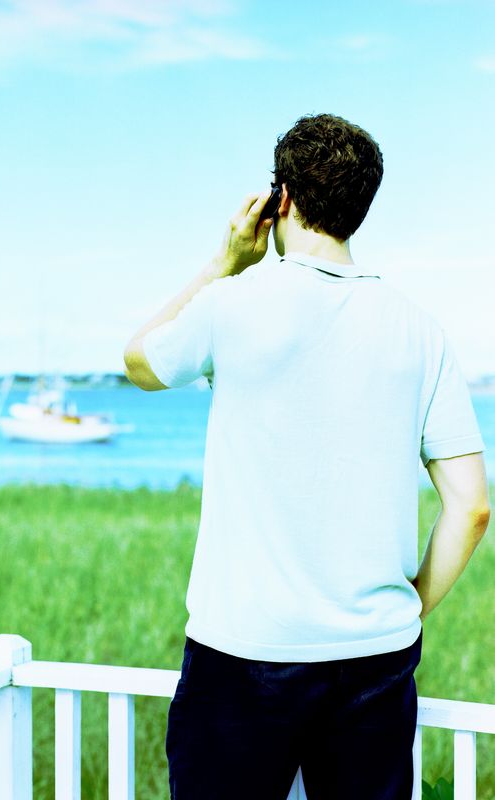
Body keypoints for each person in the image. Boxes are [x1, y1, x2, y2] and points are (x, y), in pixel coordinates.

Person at [123, 113, 490, 799]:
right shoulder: (421, 331)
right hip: (375, 660)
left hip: (242, 656)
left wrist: (224, 262)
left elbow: (138, 361)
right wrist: (405, 609)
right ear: (361, 206)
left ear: (280, 199)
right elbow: (471, 507)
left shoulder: (230, 305)